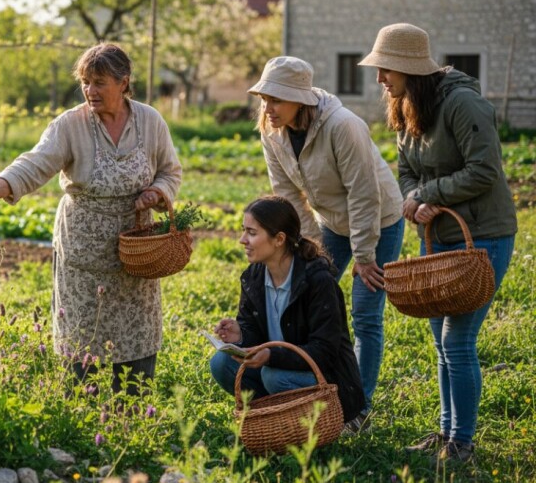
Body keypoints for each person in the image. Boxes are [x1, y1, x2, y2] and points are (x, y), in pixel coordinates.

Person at [0, 43, 182, 395]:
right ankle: (79, 409)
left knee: (136, 331)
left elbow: (170, 172)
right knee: (83, 332)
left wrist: (158, 193)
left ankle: (134, 408)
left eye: (99, 83)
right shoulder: (70, 124)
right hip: (84, 251)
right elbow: (36, 162)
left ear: (124, 82)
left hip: (135, 252)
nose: (90, 91)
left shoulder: (150, 121)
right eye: (85, 82)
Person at [359, 23, 517, 463]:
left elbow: (485, 169)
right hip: (439, 237)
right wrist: (415, 198)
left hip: (484, 237)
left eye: (385, 69)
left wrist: (429, 194)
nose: (379, 80)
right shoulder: (406, 107)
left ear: (410, 68)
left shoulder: (463, 104)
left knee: (458, 341)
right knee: (440, 341)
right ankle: (447, 432)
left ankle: (462, 444)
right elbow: (406, 169)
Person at [246, 56, 404, 428]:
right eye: (264, 98)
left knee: (365, 312)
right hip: (330, 222)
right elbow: (285, 194)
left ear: (301, 99)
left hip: (378, 220)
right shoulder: (272, 130)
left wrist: (365, 255)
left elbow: (364, 195)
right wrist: (308, 247)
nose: (268, 108)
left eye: (276, 100)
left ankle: (358, 407)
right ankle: (315, 383)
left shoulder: (343, 126)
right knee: (308, 294)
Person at [210, 196, 365, 426]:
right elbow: (256, 332)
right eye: (244, 231)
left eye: (252, 233)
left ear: (279, 239)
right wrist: (240, 335)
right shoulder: (253, 276)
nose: (243, 240)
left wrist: (272, 356)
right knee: (221, 364)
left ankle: (331, 421)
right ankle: (280, 422)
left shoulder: (318, 281)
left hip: (327, 379)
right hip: (278, 369)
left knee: (274, 376)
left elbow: (324, 351)